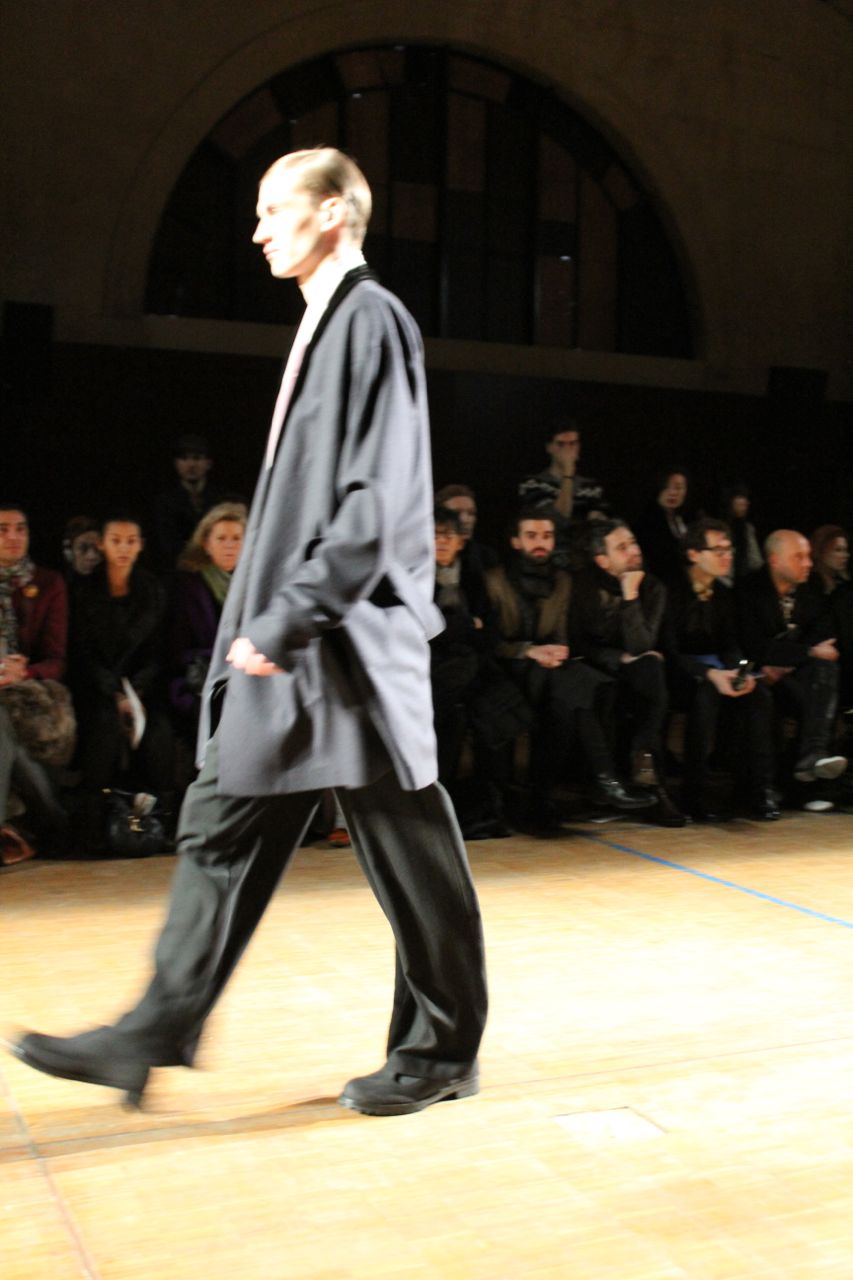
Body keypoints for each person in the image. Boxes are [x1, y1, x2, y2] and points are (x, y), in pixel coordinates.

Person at [12, 147, 487, 1117]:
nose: (259, 228)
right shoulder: (326, 321)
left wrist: (290, 614)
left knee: (409, 851)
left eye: (276, 209)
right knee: (219, 824)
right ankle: (148, 1032)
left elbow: (375, 499)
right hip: (296, 647)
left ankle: (441, 1048)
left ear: (332, 213)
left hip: (342, 646)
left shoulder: (370, 318)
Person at [486, 510, 654, 829]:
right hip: (505, 668)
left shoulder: (561, 580)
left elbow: (560, 632)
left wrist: (558, 649)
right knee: (574, 689)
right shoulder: (495, 579)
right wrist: (529, 651)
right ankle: (604, 780)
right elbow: (491, 642)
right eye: (532, 536)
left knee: (569, 700)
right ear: (515, 541)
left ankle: (547, 799)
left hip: (548, 669)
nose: (540, 543)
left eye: (547, 536)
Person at [663, 519, 780, 821]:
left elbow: (730, 645)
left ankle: (759, 790)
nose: (727, 557)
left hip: (715, 669)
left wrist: (739, 672)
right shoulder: (670, 591)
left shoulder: (724, 594)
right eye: (718, 550)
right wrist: (710, 674)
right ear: (693, 554)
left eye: (729, 550)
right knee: (706, 695)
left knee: (758, 694)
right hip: (678, 673)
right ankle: (694, 794)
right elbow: (670, 652)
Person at [68, 516, 174, 848]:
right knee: (103, 728)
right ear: (102, 544)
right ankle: (94, 827)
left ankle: (161, 823)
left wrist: (136, 691)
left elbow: (158, 652)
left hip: (143, 689)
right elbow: (83, 655)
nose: (124, 548)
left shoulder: (153, 590)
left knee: (158, 733)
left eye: (131, 541)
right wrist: (115, 693)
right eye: (116, 540)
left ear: (141, 545)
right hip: (97, 687)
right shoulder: (83, 590)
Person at [570, 519, 684, 826]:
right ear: (602, 560)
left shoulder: (652, 587)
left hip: (637, 663)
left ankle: (645, 767)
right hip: (594, 663)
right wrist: (617, 657)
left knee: (651, 669)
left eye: (633, 543)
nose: (634, 551)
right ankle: (628, 779)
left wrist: (631, 595)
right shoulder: (582, 585)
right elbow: (577, 641)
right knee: (609, 685)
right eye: (622, 547)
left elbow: (642, 644)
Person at [736, 529, 847, 788]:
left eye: (808, 556)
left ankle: (812, 758)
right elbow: (752, 645)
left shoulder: (810, 589)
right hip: (756, 672)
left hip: (793, 670)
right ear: (775, 560)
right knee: (806, 696)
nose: (808, 563)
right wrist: (805, 653)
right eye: (799, 557)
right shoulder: (749, 590)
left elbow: (823, 636)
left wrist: (795, 658)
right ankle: (779, 780)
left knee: (825, 675)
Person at [0, 504, 72, 863]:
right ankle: (52, 820)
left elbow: (56, 660)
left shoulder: (47, 583)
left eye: (20, 528)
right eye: (3, 530)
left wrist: (22, 673)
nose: (13, 537)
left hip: (33, 693)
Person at [168, 501, 247, 741]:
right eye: (221, 538)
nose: (230, 546)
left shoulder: (254, 583)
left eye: (236, 538)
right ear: (206, 544)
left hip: (250, 674)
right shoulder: (188, 586)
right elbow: (178, 651)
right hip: (203, 679)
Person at [518, 422, 608, 568]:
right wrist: (568, 473)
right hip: (547, 560)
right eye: (561, 444)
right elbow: (557, 520)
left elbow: (600, 526)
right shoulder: (532, 484)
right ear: (549, 447)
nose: (567, 450)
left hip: (585, 561)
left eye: (573, 443)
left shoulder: (591, 487)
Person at [151, 433, 225, 573]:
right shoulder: (165, 501)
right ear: (176, 464)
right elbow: (166, 543)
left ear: (208, 463)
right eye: (184, 458)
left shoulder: (220, 499)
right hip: (179, 570)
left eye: (197, 458)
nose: (191, 464)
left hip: (217, 568)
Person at [634, 467, 690, 583]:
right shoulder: (647, 521)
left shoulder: (686, 517)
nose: (672, 493)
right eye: (666, 487)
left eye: (678, 487)